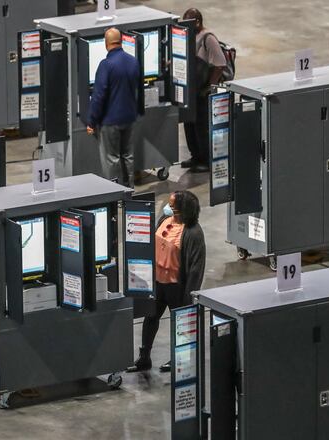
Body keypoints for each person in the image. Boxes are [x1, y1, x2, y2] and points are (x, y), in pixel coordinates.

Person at [127, 191, 206, 372]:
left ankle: (180, 359)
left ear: (181, 209)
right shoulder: (164, 219)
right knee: (150, 317)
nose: (167, 207)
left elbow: (196, 268)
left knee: (180, 323)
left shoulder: (193, 232)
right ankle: (144, 357)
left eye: (171, 205)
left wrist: (190, 295)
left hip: (176, 286)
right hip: (157, 283)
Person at [86, 27, 141, 187]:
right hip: (130, 118)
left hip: (110, 121)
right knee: (128, 156)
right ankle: (129, 189)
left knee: (111, 159)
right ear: (121, 41)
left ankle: (114, 191)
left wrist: (91, 121)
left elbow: (99, 96)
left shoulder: (106, 65)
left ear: (106, 43)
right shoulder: (133, 61)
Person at [181, 8, 226, 173]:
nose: (186, 26)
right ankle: (195, 156)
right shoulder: (189, 35)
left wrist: (209, 87)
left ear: (198, 22)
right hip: (190, 91)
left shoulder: (208, 38)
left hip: (202, 92)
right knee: (189, 124)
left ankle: (206, 161)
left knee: (201, 127)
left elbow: (220, 64)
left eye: (189, 23)